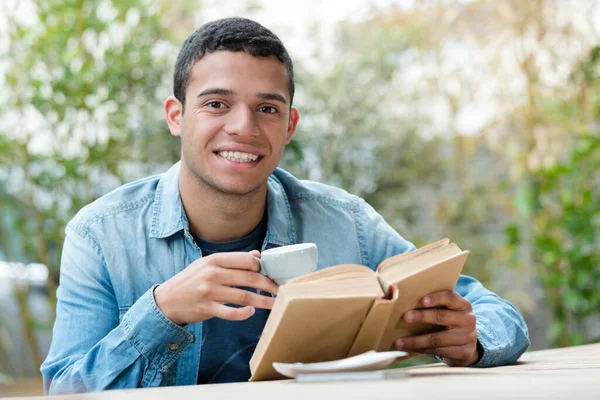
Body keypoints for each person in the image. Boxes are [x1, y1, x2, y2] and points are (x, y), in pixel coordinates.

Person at [41, 17, 530, 394]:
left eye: (267, 109)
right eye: (216, 104)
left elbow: (496, 313)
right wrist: (161, 312)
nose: (244, 127)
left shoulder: (347, 222)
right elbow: (63, 389)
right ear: (176, 116)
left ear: (289, 126)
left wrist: (473, 339)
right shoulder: (101, 234)